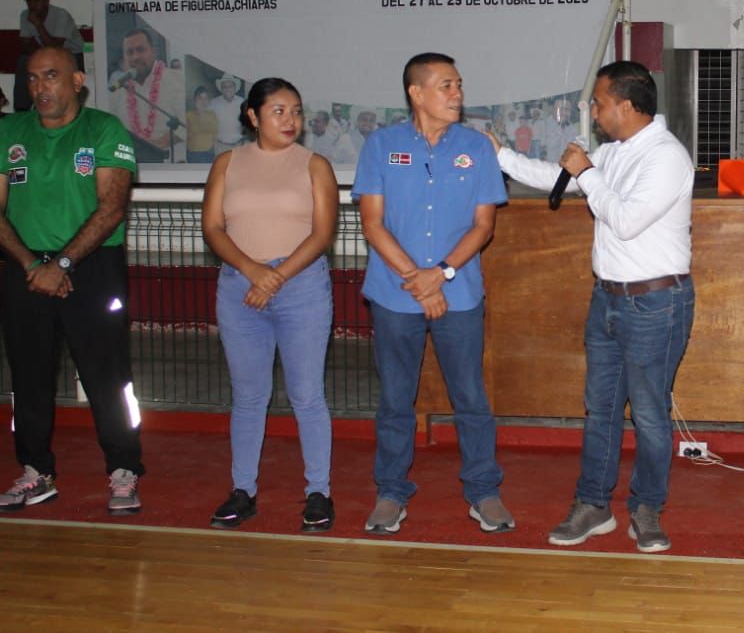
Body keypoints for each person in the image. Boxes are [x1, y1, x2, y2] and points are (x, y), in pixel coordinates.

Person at [488, 60, 695, 554]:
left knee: (649, 414)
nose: (594, 114)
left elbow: (624, 220)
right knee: (600, 409)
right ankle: (593, 504)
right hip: (607, 299)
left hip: (655, 304)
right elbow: (556, 177)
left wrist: (587, 171)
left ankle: (646, 509)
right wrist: (502, 156)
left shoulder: (666, 157)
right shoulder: (616, 151)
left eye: (599, 104)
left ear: (626, 105)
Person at [353, 52, 513, 536]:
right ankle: (390, 492)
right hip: (395, 294)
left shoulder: (477, 148)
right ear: (416, 93)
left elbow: (483, 226)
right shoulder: (381, 145)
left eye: (459, 84)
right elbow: (372, 223)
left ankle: (483, 491)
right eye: (446, 85)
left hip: (458, 294)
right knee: (395, 400)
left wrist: (440, 274)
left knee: (471, 397)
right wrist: (418, 279)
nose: (457, 93)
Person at [0, 47, 144, 516]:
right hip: (24, 270)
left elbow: (111, 208)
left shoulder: (104, 129)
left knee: (107, 376)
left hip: (92, 269)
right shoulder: (9, 131)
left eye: (51, 76)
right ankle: (35, 471)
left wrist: (60, 265)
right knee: (28, 376)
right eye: (32, 78)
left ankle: (124, 470)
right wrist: (32, 264)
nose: (39, 87)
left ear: (77, 81)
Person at [202, 77, 339, 533]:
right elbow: (213, 228)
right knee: (248, 397)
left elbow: (322, 233)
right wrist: (252, 270)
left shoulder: (314, 165)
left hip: (302, 288)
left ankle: (318, 493)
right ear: (252, 116)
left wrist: (275, 276)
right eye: (278, 111)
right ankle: (243, 490)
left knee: (307, 395)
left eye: (296, 111)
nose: (290, 119)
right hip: (239, 288)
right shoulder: (227, 163)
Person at [111, 28, 186, 161]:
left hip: (172, 164)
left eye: (141, 50)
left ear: (153, 51)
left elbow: (190, 124)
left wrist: (161, 143)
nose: (135, 57)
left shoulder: (177, 80)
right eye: (129, 52)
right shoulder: (119, 88)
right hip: (131, 164)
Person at [16, 0, 85, 113]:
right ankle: (21, 110)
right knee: (24, 61)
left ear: (46, 0)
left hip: (72, 55)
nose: (33, 5)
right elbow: (25, 45)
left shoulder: (61, 15)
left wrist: (38, 24)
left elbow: (55, 48)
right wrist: (40, 59)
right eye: (29, 1)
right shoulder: (26, 15)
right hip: (47, 55)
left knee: (57, 64)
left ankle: (68, 108)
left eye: (37, 0)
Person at [210, 74, 245, 155]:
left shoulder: (242, 102)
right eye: (224, 87)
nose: (227, 89)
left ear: (235, 88)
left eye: (230, 86)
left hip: (238, 146)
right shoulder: (213, 103)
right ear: (221, 89)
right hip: (220, 146)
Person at [185, 85, 218, 163]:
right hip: (193, 154)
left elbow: (215, 135)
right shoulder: (188, 115)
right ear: (195, 100)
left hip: (209, 154)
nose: (203, 101)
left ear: (208, 101)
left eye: (205, 98)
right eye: (200, 98)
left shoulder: (212, 115)